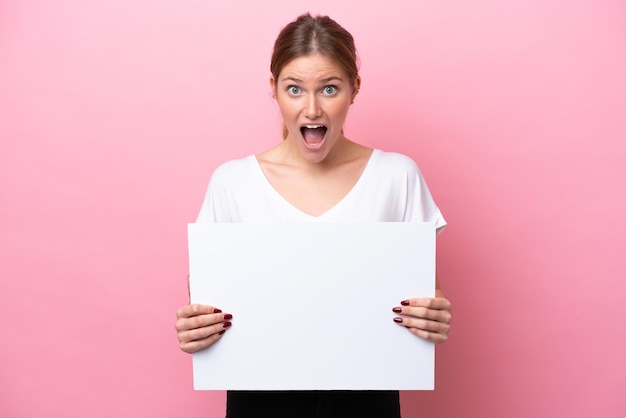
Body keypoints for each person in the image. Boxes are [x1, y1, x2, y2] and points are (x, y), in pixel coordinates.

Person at [175, 13, 452, 418]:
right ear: (273, 90)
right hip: (259, 397)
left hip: (366, 397)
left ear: (354, 89)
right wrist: (195, 327)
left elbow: (430, 294)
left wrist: (435, 316)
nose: (311, 109)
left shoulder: (397, 176)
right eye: (294, 89)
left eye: (329, 88)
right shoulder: (232, 183)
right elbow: (206, 302)